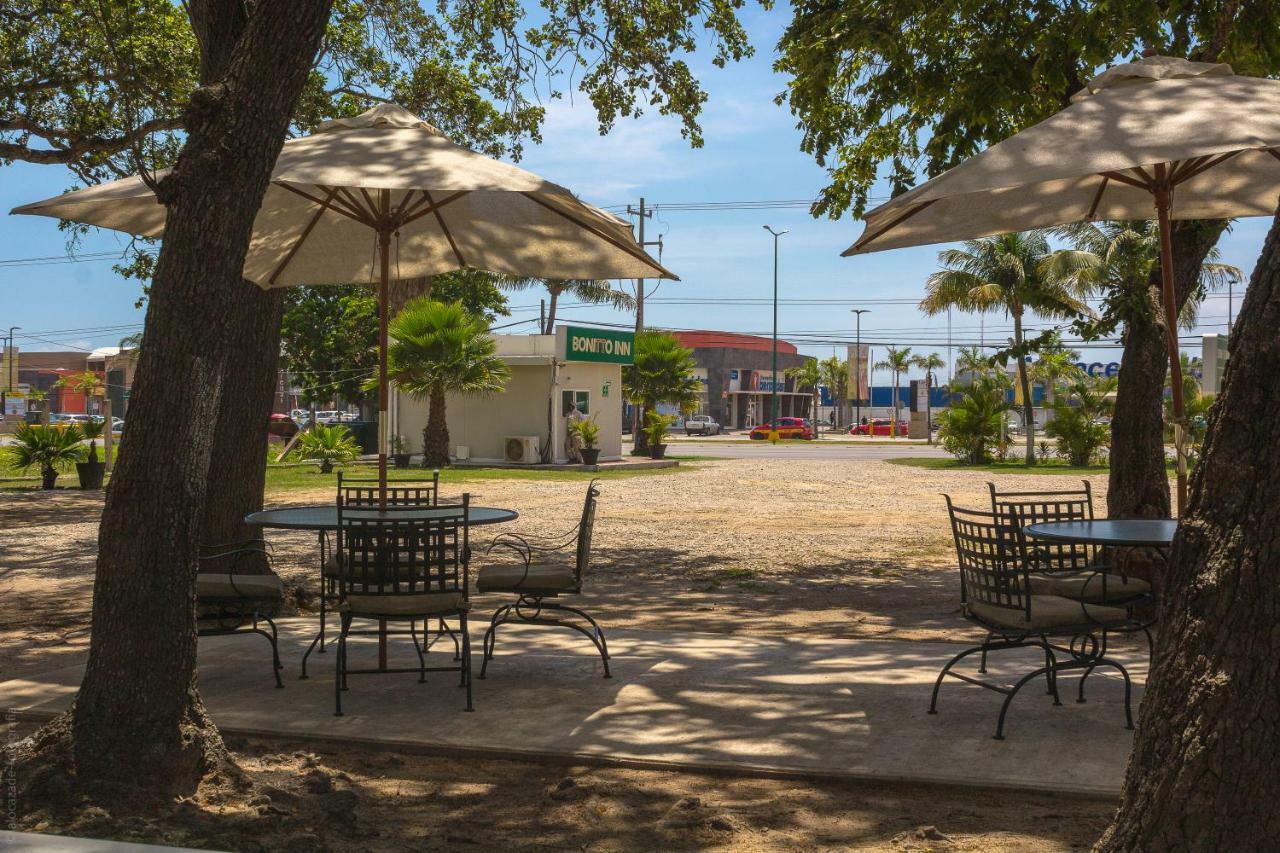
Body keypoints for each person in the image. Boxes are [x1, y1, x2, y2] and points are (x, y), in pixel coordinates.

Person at [563, 399, 585, 463]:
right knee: (567, 445)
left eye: (570, 406)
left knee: (577, 447)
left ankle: (578, 460)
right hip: (569, 434)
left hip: (576, 433)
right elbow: (564, 415)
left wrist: (578, 431)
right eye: (569, 406)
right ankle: (572, 459)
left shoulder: (579, 413)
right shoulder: (569, 414)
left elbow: (582, 422)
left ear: (573, 406)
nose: (569, 407)